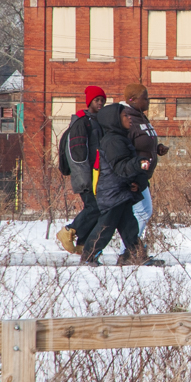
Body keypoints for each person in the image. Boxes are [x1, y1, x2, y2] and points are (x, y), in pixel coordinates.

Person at [79, 103, 158, 267]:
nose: (129, 118)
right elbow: (121, 167)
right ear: (113, 120)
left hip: (120, 191)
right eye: (125, 116)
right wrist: (139, 162)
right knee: (105, 227)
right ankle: (88, 257)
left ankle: (136, 256)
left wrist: (137, 181)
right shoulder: (113, 141)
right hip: (112, 193)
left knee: (129, 227)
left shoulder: (120, 138)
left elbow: (125, 167)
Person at [57, 86, 106, 254]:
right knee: (95, 207)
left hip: (96, 174)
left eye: (102, 100)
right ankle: (68, 230)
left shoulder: (97, 121)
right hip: (86, 175)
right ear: (89, 102)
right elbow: (78, 155)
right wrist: (86, 178)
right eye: (96, 100)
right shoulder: (82, 122)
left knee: (94, 208)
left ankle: (83, 244)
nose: (100, 103)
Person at [119, 84, 168, 237]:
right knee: (142, 212)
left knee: (142, 212)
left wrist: (156, 148)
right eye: (145, 98)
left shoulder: (140, 116)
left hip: (143, 176)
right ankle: (128, 251)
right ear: (132, 99)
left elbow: (143, 142)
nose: (148, 101)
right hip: (134, 176)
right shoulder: (128, 119)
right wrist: (131, 176)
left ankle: (131, 250)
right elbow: (125, 148)